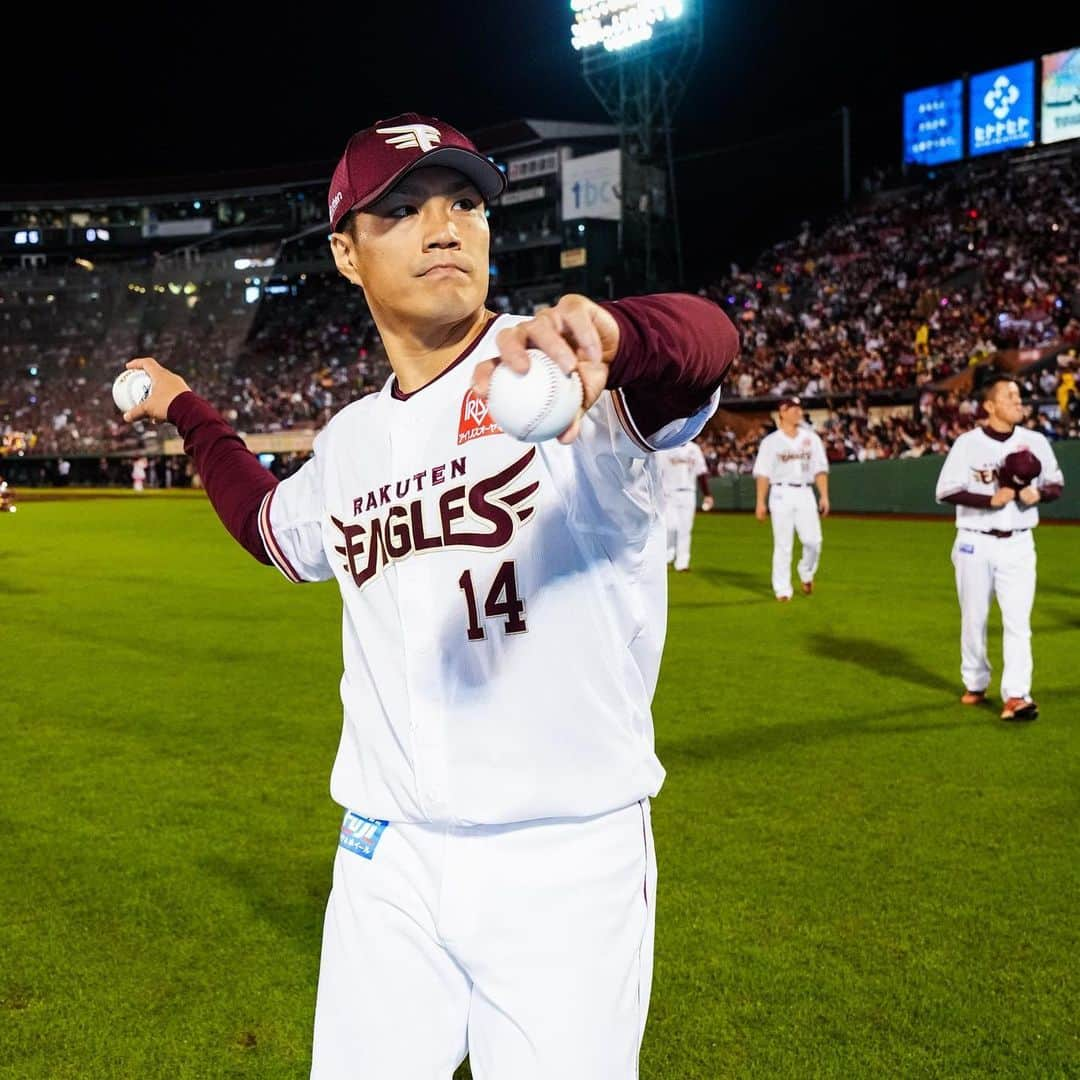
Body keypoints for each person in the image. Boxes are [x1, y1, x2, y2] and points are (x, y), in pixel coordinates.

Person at [120, 111, 739, 1079]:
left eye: (463, 202)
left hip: (564, 864)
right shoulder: (353, 441)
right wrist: (185, 407)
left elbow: (711, 341)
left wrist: (617, 331)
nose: (443, 226)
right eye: (401, 210)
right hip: (387, 864)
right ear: (346, 253)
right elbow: (268, 526)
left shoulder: (565, 370)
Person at [934, 376, 1065, 720]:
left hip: (1019, 541)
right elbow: (945, 491)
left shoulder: (1035, 440)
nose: (1018, 401)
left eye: (1019, 395)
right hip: (974, 541)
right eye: (1010, 396)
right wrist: (989, 499)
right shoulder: (968, 444)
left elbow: (1056, 483)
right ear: (990, 406)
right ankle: (975, 681)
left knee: (1018, 621)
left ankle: (1017, 695)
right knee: (974, 618)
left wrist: (1043, 494)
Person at [752, 396, 830, 601]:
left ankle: (806, 571)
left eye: (799, 408)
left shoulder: (811, 439)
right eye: (792, 408)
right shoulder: (771, 442)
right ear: (782, 413)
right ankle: (782, 589)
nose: (797, 411)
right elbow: (763, 473)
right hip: (780, 493)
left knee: (814, 541)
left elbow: (820, 469)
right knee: (783, 543)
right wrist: (760, 501)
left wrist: (824, 496)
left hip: (805, 491)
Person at [656, 438, 714, 572]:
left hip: (689, 492)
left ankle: (682, 563)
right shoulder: (666, 447)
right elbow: (657, 472)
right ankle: (667, 555)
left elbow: (701, 473)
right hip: (669, 493)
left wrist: (707, 494)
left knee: (685, 529)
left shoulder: (694, 449)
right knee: (671, 525)